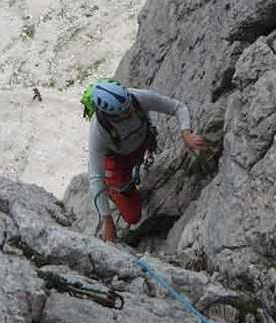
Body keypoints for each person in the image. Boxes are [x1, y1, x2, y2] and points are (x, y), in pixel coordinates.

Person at [84, 79, 209, 242]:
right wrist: (107, 219)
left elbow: (178, 107)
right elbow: (95, 177)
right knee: (132, 216)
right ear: (110, 116)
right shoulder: (98, 131)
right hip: (117, 161)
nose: (130, 112)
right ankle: (113, 190)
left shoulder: (138, 98)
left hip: (140, 146)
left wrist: (186, 133)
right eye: (124, 113)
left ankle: (124, 185)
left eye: (129, 106)